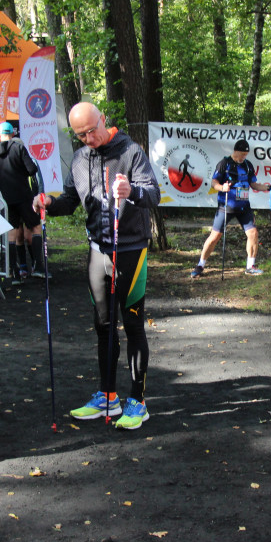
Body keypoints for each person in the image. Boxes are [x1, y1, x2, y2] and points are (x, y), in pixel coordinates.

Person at [33, 102, 161, 430]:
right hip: (97, 252)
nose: (90, 138)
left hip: (130, 250)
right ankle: (108, 396)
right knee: (103, 326)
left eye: (93, 130)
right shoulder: (79, 159)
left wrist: (131, 190)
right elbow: (70, 202)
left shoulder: (130, 151)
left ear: (103, 119)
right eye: (81, 135)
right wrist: (48, 203)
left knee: (132, 327)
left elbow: (154, 194)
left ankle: (138, 400)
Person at [190, 139, 271, 278]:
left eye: (246, 154)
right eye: (243, 154)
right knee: (215, 236)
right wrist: (222, 187)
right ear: (236, 151)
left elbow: (253, 184)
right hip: (226, 206)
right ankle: (200, 265)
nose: (244, 157)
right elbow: (214, 182)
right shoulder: (225, 163)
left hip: (244, 207)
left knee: (253, 233)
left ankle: (250, 266)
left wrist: (267, 187)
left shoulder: (247, 165)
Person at [0, 121, 44, 281]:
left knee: (11, 233)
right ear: (12, 134)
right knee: (36, 227)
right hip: (23, 196)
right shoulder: (18, 147)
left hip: (5, 198)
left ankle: (14, 272)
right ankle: (39, 267)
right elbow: (32, 169)